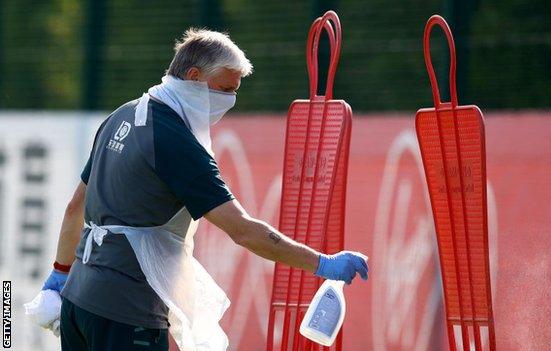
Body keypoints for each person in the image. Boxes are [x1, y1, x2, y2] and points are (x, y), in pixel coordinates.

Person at [41, 28, 368, 351]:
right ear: (194, 76)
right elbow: (243, 230)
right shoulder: (174, 140)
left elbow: (75, 207)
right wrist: (322, 264)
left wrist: (60, 272)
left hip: (77, 302)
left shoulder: (122, 115)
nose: (228, 101)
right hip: (126, 311)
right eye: (224, 89)